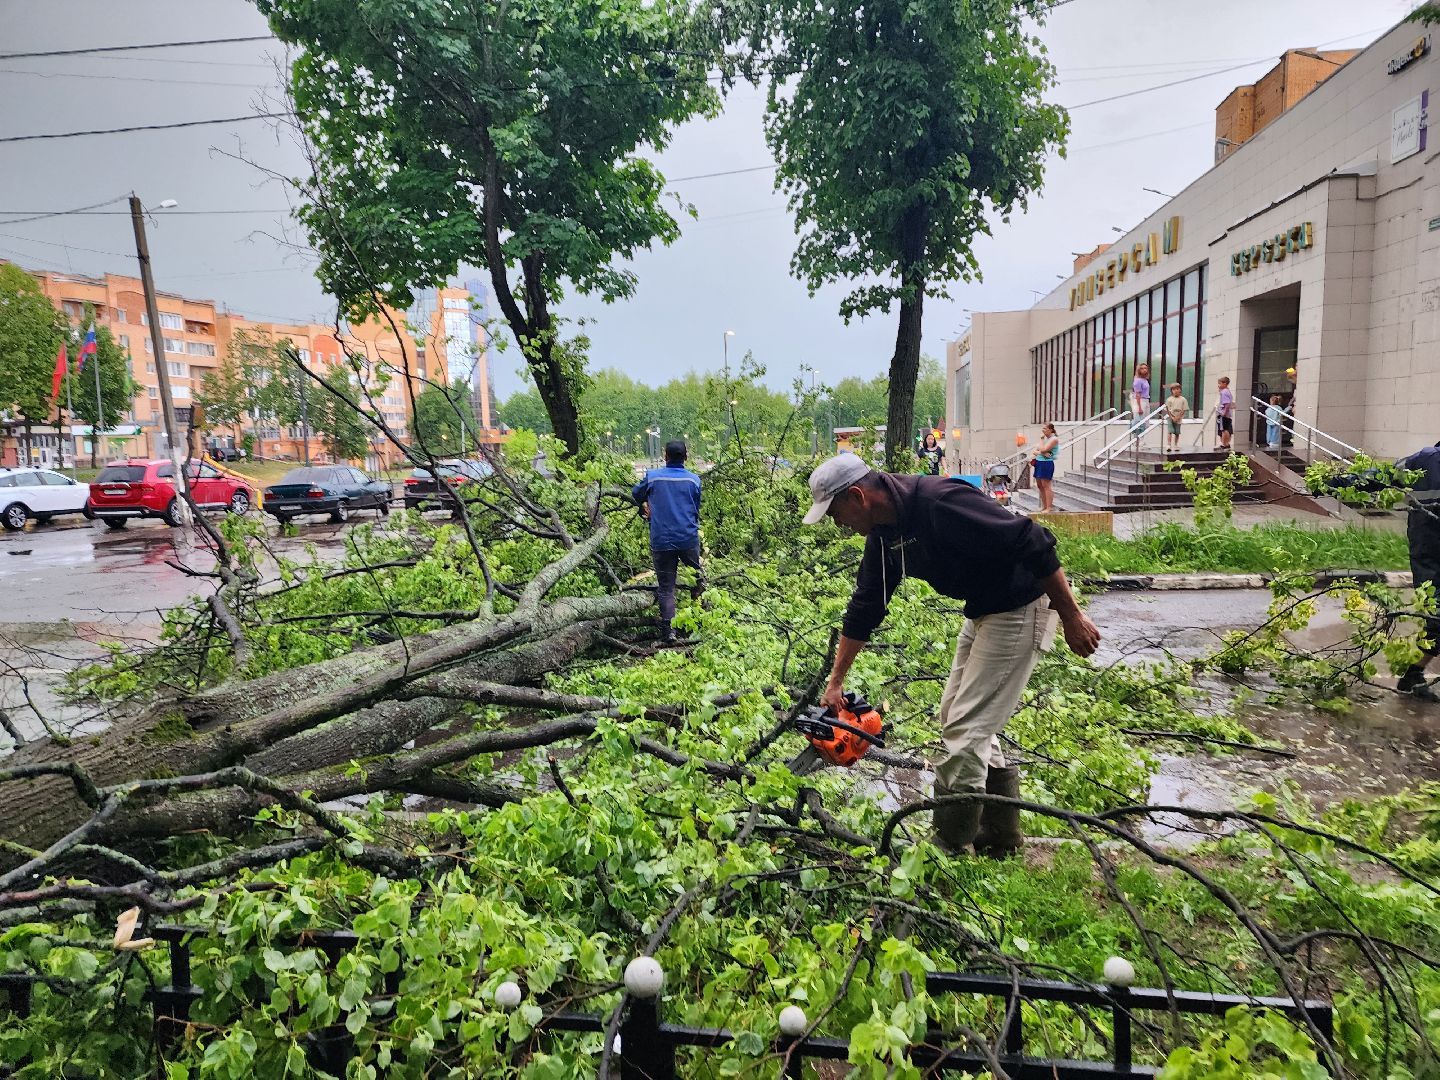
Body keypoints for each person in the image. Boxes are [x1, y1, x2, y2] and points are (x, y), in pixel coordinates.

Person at [802, 455, 1101, 857]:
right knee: (957, 718)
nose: (841, 526)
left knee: (966, 727)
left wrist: (1071, 615)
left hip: (1020, 604)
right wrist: (836, 681)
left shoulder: (939, 502)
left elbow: (1032, 539)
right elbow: (866, 604)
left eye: (838, 515)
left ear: (858, 496)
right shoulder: (885, 534)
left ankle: (949, 844)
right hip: (983, 608)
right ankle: (1000, 835)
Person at [632, 439, 704, 643]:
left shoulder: (653, 478)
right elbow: (695, 508)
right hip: (688, 538)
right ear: (686, 457)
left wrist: (645, 504)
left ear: (665, 456)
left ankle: (669, 632)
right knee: (697, 580)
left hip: (662, 539)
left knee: (666, 587)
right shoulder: (694, 480)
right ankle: (698, 623)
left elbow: (636, 493)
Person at [1396, 440, 1440, 701]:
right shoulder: (1424, 460)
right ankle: (1412, 675)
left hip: (1429, 554)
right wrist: (1335, 483)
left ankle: (1413, 674)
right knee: (1437, 621)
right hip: (1431, 558)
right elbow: (1381, 477)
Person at [1032, 423, 1059, 512]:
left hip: (1046, 463)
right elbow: (1034, 451)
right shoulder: (1046, 439)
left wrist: (1041, 440)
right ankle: (1044, 506)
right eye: (1042, 428)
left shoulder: (1053, 439)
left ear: (1050, 429)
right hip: (1039, 462)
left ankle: (1049, 507)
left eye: (1045, 428)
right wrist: (1042, 452)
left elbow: (1043, 449)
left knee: (1046, 485)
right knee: (1040, 485)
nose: (1043, 430)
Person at [1163, 383, 1188, 454]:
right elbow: (1167, 409)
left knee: (1177, 432)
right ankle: (1168, 444)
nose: (1176, 391)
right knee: (1170, 431)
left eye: (1177, 389)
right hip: (1171, 417)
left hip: (1179, 417)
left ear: (1180, 390)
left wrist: (1178, 417)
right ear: (1171, 391)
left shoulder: (1183, 399)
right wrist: (1172, 417)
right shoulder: (1169, 399)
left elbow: (1184, 409)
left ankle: (1176, 444)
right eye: (1174, 389)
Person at [1130, 363, 1151, 444]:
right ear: (1139, 370)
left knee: (1145, 422)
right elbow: (1138, 394)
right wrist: (1139, 407)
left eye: (1145, 368)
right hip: (1140, 401)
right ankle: (1136, 440)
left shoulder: (1145, 380)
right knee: (1139, 421)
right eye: (1142, 368)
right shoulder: (1137, 380)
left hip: (1146, 400)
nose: (1144, 370)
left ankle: (1141, 439)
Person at [1215, 376, 1235, 451]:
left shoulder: (1224, 392)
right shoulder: (1227, 391)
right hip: (1227, 414)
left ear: (1225, 383)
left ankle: (1225, 444)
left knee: (1224, 429)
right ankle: (1226, 444)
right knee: (1225, 428)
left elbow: (1227, 404)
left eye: (1219, 383)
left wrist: (1224, 413)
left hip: (1223, 414)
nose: (1218, 385)